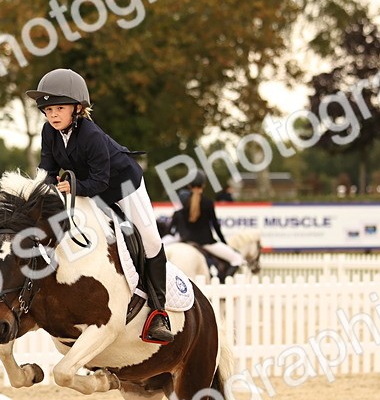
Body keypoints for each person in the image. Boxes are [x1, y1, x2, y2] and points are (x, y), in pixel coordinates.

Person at [26, 68, 174, 344]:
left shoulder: (91, 135)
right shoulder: (50, 132)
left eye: (59, 108)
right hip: (87, 186)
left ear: (78, 108)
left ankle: (158, 313)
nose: (53, 114)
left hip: (123, 186)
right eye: (47, 109)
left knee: (151, 240)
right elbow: (47, 170)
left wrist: (75, 188)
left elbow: (100, 180)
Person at [171, 173, 245, 281]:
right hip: (206, 242)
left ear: (189, 186)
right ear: (204, 186)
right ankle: (222, 282)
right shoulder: (208, 202)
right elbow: (215, 226)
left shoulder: (185, 203)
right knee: (237, 258)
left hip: (187, 240)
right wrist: (224, 243)